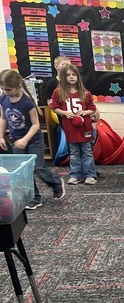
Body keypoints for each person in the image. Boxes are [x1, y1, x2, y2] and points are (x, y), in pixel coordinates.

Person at [0, 68, 65, 208]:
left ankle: (56, 183)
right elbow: (3, 118)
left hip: (34, 139)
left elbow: (36, 125)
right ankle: (34, 197)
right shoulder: (3, 99)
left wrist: (25, 139)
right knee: (23, 171)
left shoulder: (27, 103)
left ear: (18, 86)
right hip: (16, 141)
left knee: (38, 167)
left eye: (8, 89)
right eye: (3, 89)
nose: (5, 92)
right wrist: (1, 137)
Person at [50, 64, 97, 185]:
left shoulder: (85, 93)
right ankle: (75, 175)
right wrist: (65, 113)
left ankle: (90, 175)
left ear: (78, 76)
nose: (71, 77)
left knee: (87, 151)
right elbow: (54, 108)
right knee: (74, 152)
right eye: (68, 75)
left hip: (85, 127)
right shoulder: (58, 92)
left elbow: (92, 109)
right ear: (63, 77)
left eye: (74, 74)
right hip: (70, 127)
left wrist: (84, 112)